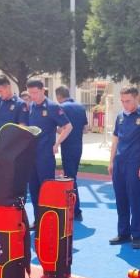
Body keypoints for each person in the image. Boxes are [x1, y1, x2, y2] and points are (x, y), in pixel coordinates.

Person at [108, 86, 140, 249]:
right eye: (122, 101)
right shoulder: (120, 116)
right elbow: (115, 140)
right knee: (121, 200)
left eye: (128, 101)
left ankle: (137, 235)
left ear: (136, 98)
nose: (124, 104)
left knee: (135, 200)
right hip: (119, 163)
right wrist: (111, 161)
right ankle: (123, 233)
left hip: (134, 164)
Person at [27, 78, 72, 227]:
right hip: (31, 156)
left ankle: (48, 222)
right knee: (33, 190)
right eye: (30, 93)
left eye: (35, 92)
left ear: (43, 90)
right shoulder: (31, 106)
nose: (32, 96)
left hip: (45, 156)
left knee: (46, 190)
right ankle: (38, 220)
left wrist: (57, 143)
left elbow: (68, 127)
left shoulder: (52, 107)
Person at [55, 85, 88, 221]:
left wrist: (57, 132)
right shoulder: (80, 107)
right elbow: (86, 129)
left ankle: (76, 210)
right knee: (72, 175)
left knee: (70, 178)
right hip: (78, 146)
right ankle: (73, 208)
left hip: (67, 146)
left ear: (58, 96)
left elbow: (61, 128)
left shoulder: (61, 108)